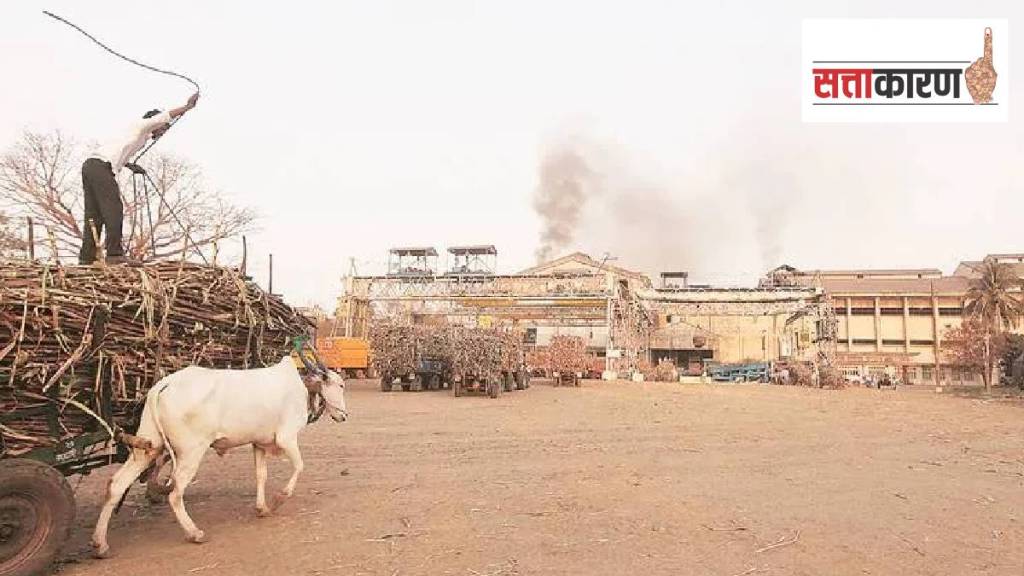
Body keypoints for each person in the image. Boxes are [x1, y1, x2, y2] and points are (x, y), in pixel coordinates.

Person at [78, 92, 200, 265]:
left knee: (93, 215)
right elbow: (164, 117)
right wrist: (187, 108)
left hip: (91, 166)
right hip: (101, 168)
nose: (163, 131)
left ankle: (86, 258)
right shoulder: (141, 126)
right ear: (155, 122)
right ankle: (114, 254)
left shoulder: (139, 137)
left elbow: (119, 152)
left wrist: (130, 166)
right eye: (163, 127)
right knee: (113, 209)